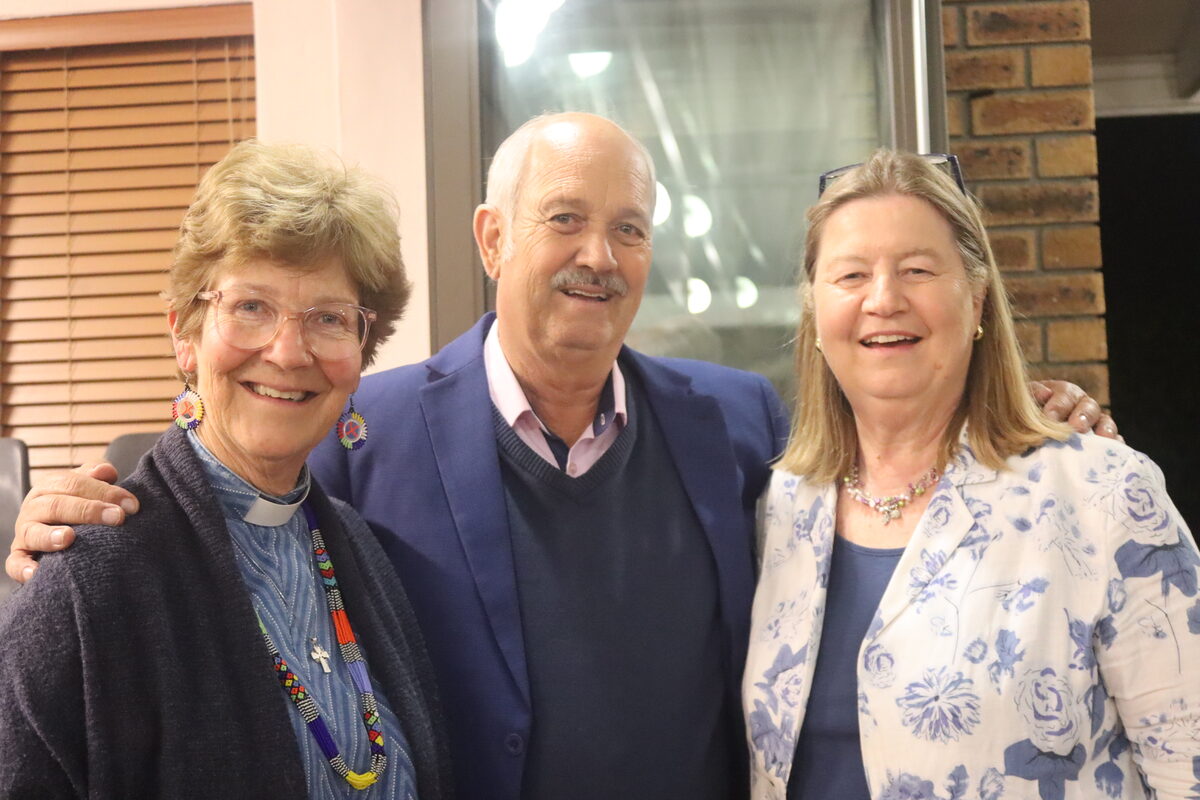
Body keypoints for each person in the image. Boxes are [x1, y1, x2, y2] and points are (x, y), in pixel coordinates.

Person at [6, 115, 1115, 800]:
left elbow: (888, 486)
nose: (598, 255)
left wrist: (1021, 411)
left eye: (629, 228)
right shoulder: (368, 425)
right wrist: (90, 494)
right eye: (566, 219)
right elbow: (230, 501)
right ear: (493, 238)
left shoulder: (735, 420)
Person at [0, 141, 453, 798]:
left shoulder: (359, 549)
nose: (289, 351)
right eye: (250, 306)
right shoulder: (87, 581)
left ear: (361, 349)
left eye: (328, 317)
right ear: (185, 334)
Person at [743, 150, 1199, 800]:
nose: (883, 299)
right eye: (850, 275)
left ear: (977, 297)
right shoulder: (782, 507)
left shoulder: (1104, 494)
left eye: (917, 270)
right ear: (815, 317)